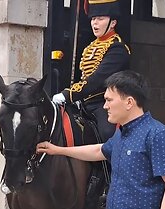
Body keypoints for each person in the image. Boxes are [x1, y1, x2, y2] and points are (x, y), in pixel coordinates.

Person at [37, 70, 165, 209]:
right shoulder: (122, 134)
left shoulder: (157, 134)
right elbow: (99, 150)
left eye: (109, 100)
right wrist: (58, 150)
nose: (104, 106)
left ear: (129, 102)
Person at [52, 0, 130, 143]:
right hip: (84, 102)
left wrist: (68, 94)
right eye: (93, 19)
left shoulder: (118, 48)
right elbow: (83, 77)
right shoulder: (90, 47)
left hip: (105, 103)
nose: (95, 23)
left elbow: (97, 79)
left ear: (112, 23)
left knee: (108, 135)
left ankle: (113, 165)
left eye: (100, 19)